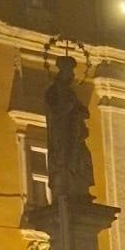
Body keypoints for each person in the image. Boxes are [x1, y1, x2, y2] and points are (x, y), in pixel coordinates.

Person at [44, 55, 95, 201]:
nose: (72, 75)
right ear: (63, 71)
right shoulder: (53, 91)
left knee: (82, 156)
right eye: (70, 72)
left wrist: (79, 110)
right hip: (61, 134)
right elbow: (54, 111)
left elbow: (85, 111)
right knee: (66, 159)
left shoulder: (70, 92)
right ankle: (66, 188)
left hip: (74, 132)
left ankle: (80, 188)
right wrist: (70, 107)